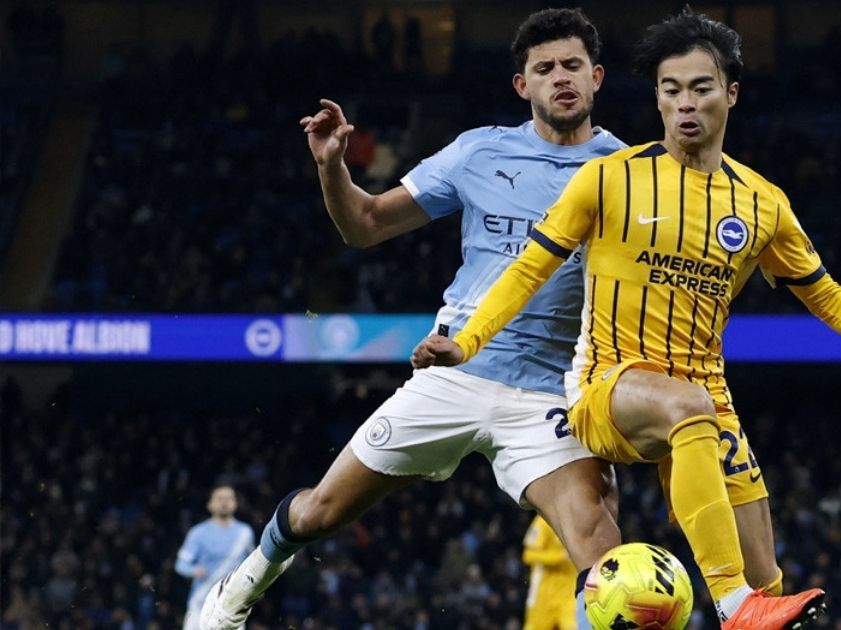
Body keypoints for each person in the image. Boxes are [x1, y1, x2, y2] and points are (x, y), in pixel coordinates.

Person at [411, 8, 841, 629]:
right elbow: (527, 270)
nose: (685, 103)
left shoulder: (762, 204)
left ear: (730, 94)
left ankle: (751, 600)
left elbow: (828, 298)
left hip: (706, 399)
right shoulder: (609, 178)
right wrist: (467, 342)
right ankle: (732, 603)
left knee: (770, 581)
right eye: (670, 89)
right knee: (692, 420)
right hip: (607, 388)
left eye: (700, 88)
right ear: (656, 98)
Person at [200, 9, 626, 629]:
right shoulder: (479, 151)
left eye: (571, 65)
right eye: (544, 69)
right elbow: (366, 224)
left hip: (550, 393)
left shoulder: (629, 172)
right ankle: (235, 593)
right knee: (320, 513)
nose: (560, 77)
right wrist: (332, 167)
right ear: (522, 85)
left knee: (603, 551)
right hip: (453, 375)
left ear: (596, 77)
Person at [175, 485, 254, 630]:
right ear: (209, 505)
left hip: (232, 609)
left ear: (236, 503)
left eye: (229, 498)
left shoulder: (245, 533)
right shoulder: (197, 533)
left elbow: (253, 565)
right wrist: (195, 570)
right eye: (219, 499)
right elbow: (180, 565)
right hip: (200, 604)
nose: (224, 502)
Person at [522, 514, 577, 630]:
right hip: (543, 594)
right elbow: (528, 555)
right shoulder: (543, 520)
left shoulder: (579, 520)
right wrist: (559, 557)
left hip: (569, 592)